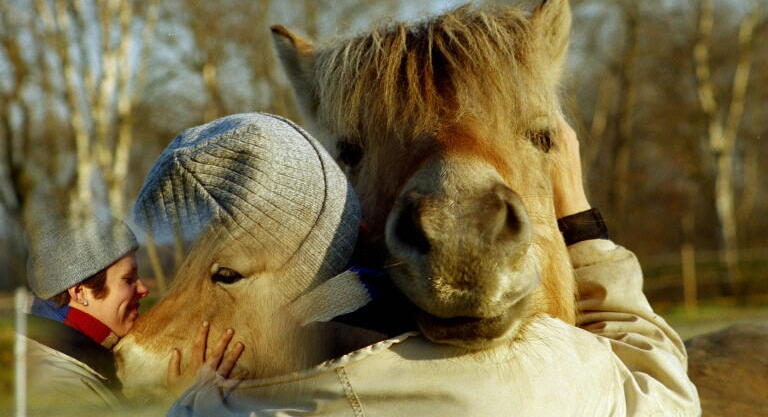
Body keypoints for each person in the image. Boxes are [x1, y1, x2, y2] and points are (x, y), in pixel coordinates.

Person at [142, 112, 699, 416]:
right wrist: (576, 215)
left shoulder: (208, 407)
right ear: (353, 223)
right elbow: (666, 397)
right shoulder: (530, 379)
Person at [22, 213, 244, 416]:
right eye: (128, 279)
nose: (143, 289)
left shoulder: (73, 358)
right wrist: (191, 405)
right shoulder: (58, 384)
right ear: (80, 292)